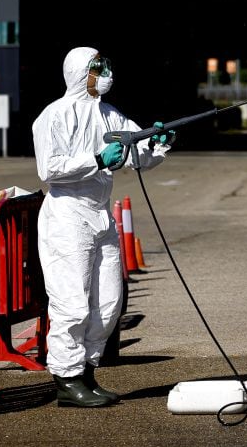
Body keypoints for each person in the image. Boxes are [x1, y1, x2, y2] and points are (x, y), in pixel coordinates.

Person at [32, 47, 174, 407]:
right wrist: (96, 160)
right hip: (67, 215)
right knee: (71, 304)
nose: (106, 72)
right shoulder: (54, 116)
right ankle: (66, 379)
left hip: (99, 214)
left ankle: (87, 371)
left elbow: (134, 155)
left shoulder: (110, 115)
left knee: (108, 303)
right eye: (99, 68)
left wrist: (155, 144)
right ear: (80, 73)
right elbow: (49, 169)